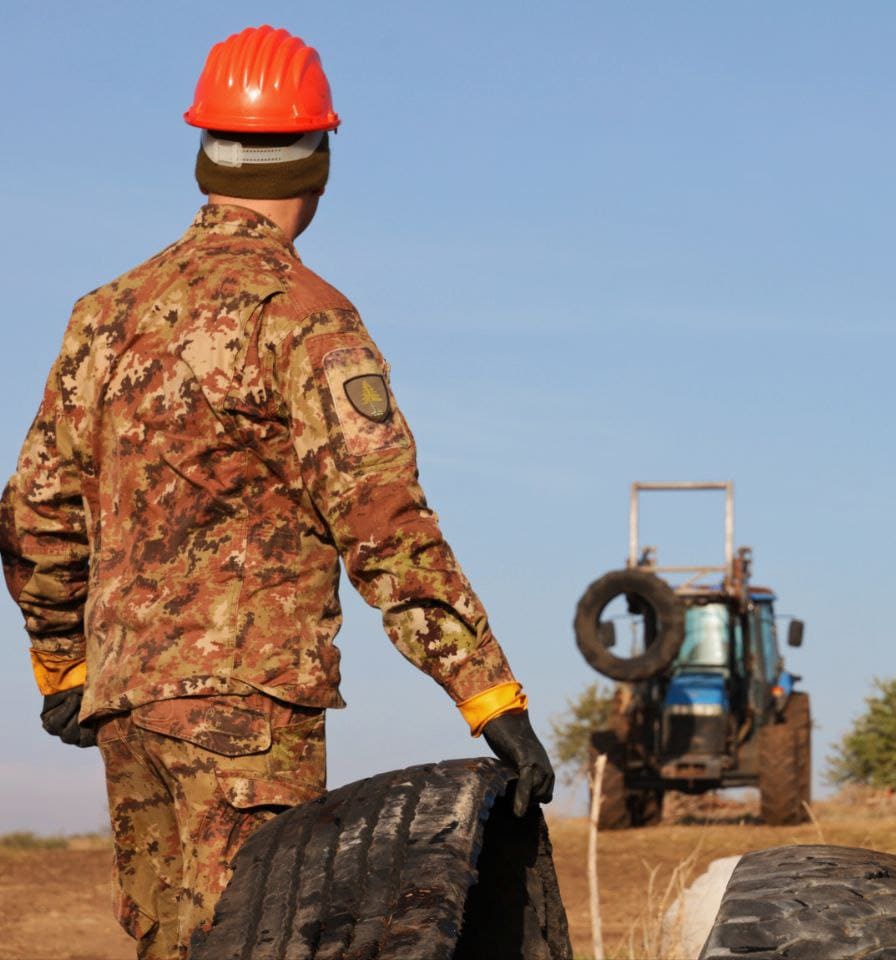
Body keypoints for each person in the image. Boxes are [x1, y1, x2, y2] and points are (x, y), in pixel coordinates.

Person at [0, 25, 554, 959]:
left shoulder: (103, 315)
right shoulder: (308, 318)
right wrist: (488, 695)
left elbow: (35, 512)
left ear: (201, 153)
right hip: (246, 715)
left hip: (127, 708)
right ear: (322, 160)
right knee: (259, 942)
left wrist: (66, 663)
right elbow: (384, 524)